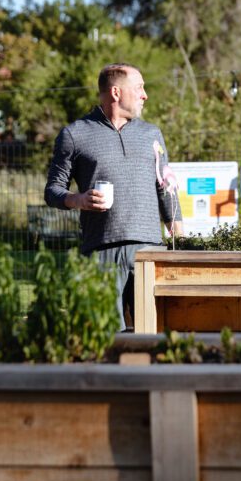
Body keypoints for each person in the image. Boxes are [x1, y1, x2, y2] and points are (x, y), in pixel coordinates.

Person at [45, 63, 183, 330]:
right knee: (107, 336)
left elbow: (166, 189)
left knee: (152, 331)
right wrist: (78, 199)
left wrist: (181, 241)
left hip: (149, 251)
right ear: (116, 92)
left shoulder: (151, 134)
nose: (145, 95)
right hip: (100, 253)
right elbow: (52, 190)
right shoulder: (74, 134)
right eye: (140, 88)